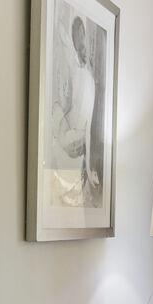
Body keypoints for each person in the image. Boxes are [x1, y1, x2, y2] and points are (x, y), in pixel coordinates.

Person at [51, 14, 99, 207]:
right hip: (74, 141)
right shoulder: (87, 78)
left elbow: (81, 125)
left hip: (70, 140)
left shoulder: (80, 75)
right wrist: (87, 167)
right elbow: (86, 129)